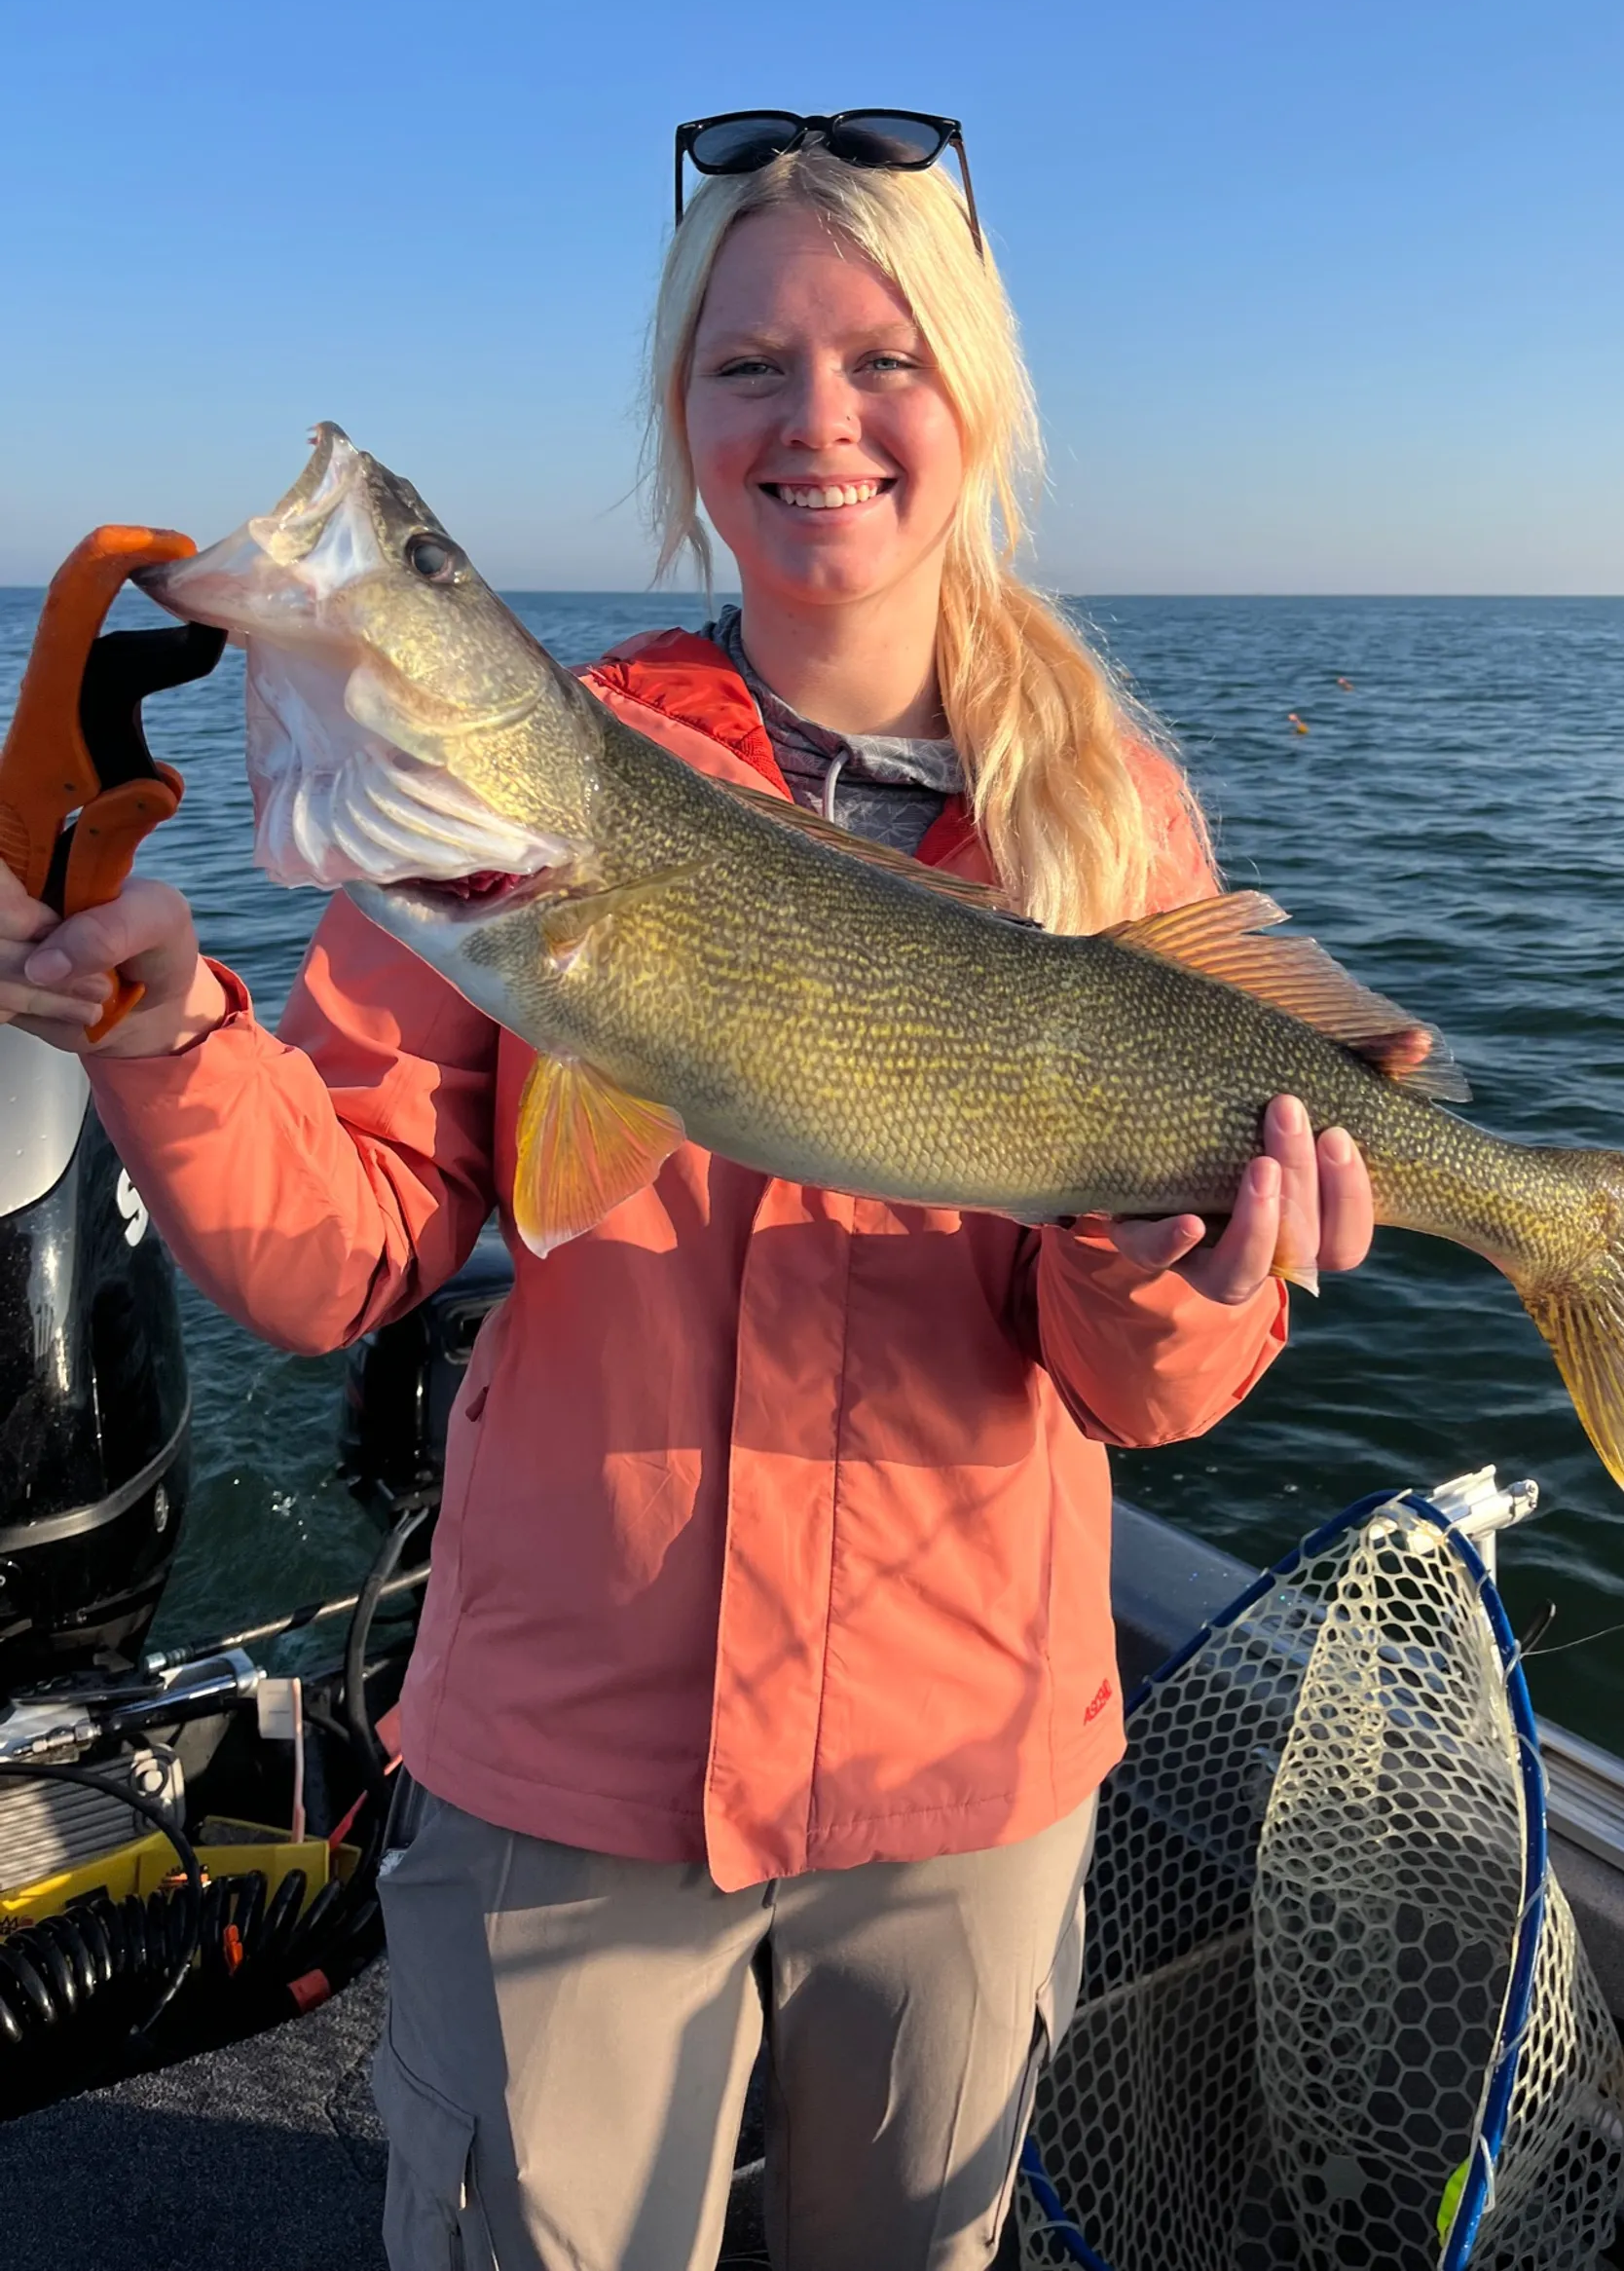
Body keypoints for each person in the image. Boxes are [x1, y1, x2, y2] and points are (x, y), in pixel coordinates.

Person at [0, 122, 1378, 2271]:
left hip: (967, 1781)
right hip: (563, 1765)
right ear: (681, 422)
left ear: (977, 398)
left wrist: (1176, 1270)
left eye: (880, 355)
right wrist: (170, 1030)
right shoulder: (520, 803)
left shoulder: (1112, 816)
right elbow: (340, 1249)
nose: (815, 419)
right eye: (747, 367)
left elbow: (1147, 1396)